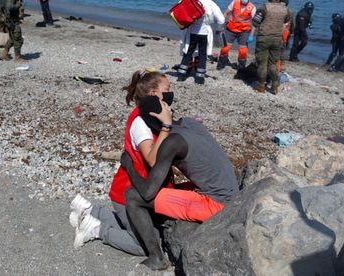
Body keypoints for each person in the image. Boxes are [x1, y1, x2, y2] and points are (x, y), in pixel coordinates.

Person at [121, 96, 239, 270]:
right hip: (230, 192)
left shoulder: (172, 142)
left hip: (217, 204)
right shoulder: (191, 123)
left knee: (132, 196)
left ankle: (156, 258)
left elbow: (147, 192)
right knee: (168, 189)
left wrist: (129, 165)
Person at [69, 69, 174, 256]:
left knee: (148, 229)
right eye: (167, 88)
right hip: (128, 195)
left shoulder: (150, 116)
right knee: (147, 245)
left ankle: (89, 210)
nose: (171, 92)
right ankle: (96, 230)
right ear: (153, 93)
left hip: (132, 191)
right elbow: (151, 158)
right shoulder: (141, 122)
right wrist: (167, 127)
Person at [176, 0, 224, 85]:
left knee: (188, 53)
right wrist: (218, 30)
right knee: (202, 55)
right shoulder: (210, 3)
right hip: (204, 33)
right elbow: (221, 19)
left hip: (191, 31)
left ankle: (181, 75)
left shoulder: (189, 1)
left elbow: (178, 9)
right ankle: (199, 78)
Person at [252, 0, 291, 94]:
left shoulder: (264, 7)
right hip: (277, 39)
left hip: (264, 38)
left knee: (262, 62)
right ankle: (274, 84)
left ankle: (261, 85)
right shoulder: (286, 9)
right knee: (273, 63)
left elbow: (255, 22)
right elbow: (286, 20)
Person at [217, 0, 256, 70]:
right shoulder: (234, 2)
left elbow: (255, 23)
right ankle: (222, 62)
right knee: (225, 48)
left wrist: (251, 35)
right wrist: (220, 26)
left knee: (243, 50)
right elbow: (225, 13)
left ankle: (241, 66)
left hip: (244, 31)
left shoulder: (252, 8)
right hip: (231, 29)